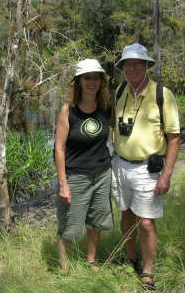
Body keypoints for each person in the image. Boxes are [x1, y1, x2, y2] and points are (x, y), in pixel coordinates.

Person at [112, 44, 180, 290]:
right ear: (122, 68)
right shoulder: (119, 91)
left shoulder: (162, 94)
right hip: (119, 165)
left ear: (147, 66)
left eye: (138, 63)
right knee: (126, 214)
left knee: (147, 222)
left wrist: (167, 175)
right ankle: (130, 258)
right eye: (127, 64)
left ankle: (148, 271)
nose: (132, 68)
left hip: (147, 169)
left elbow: (173, 137)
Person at [54, 59, 113, 273]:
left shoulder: (106, 108)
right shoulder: (67, 111)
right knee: (69, 225)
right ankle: (64, 269)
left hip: (103, 173)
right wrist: (63, 184)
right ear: (78, 82)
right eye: (87, 77)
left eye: (96, 77)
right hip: (75, 176)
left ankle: (91, 261)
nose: (92, 82)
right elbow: (59, 148)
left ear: (101, 81)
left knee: (97, 222)